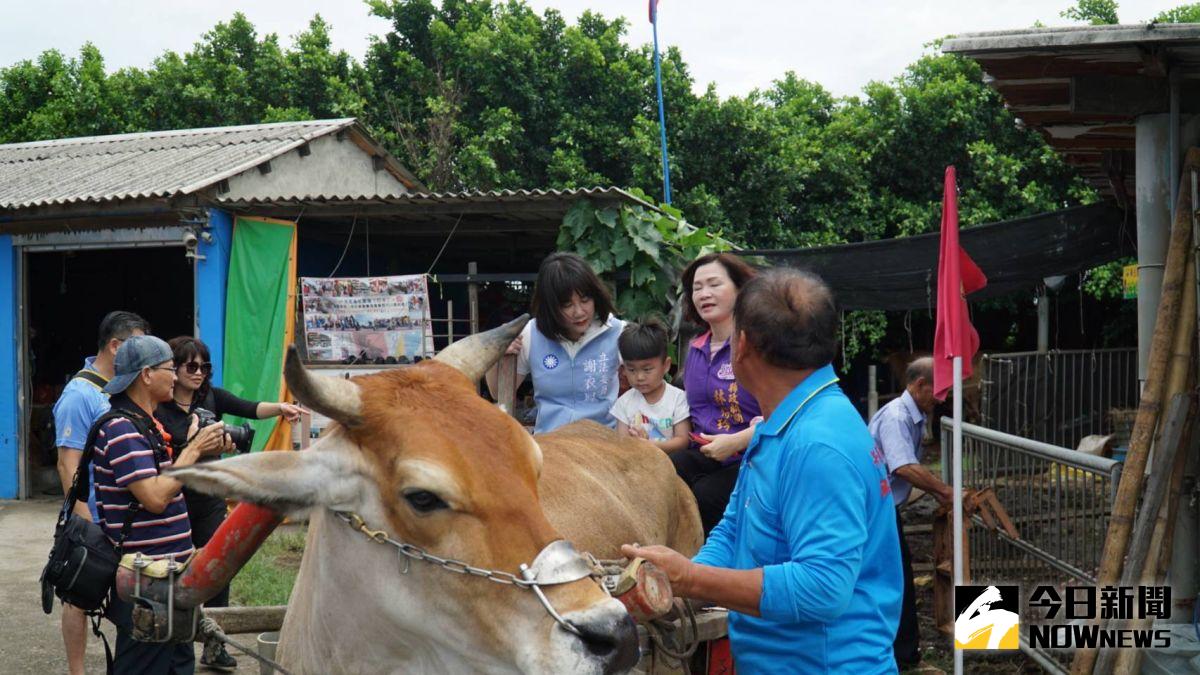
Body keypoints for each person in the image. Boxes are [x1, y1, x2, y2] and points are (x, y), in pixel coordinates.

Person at [624, 268, 903, 674]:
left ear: (742, 345)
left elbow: (823, 589)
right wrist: (673, 590)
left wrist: (691, 579)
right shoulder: (779, 425)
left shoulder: (818, 445)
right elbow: (735, 530)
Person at [155, 336, 301, 672]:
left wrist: (280, 407)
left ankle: (213, 644)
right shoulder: (158, 407)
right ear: (173, 369)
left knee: (217, 570)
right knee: (171, 573)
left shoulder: (211, 397)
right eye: (191, 366)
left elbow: (250, 407)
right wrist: (194, 446)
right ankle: (171, 643)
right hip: (171, 500)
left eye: (204, 366)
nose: (199, 373)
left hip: (209, 499)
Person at [92, 335, 232, 674]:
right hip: (146, 583)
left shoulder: (147, 425)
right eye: (170, 368)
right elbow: (155, 498)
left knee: (178, 665)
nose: (175, 376)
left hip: (168, 579)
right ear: (146, 375)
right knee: (144, 666)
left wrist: (195, 445)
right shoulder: (122, 429)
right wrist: (194, 449)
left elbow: (169, 484)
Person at [51, 310, 149, 675]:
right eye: (136, 345)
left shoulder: (122, 387)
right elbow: (67, 462)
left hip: (122, 517)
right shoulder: (80, 393)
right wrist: (82, 516)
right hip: (91, 516)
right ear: (116, 345)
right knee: (79, 594)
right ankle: (77, 671)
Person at [869, 356, 950, 670]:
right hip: (876, 512)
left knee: (893, 577)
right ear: (920, 385)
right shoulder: (898, 416)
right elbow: (904, 467)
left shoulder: (914, 414)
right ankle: (904, 654)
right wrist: (945, 492)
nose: (942, 397)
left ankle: (900, 650)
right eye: (939, 390)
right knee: (897, 578)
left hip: (883, 507)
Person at [673, 253, 762, 534]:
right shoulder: (696, 349)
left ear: (740, 290)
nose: (704, 294)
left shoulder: (758, 345)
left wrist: (735, 441)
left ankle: (719, 569)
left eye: (713, 284)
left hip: (754, 453)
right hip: (705, 452)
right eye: (697, 288)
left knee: (707, 494)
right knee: (662, 471)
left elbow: (784, 413)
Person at [487, 252, 625, 433]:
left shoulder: (619, 333)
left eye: (585, 300)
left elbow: (650, 382)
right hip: (551, 446)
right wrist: (496, 354)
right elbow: (498, 393)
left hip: (603, 445)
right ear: (550, 307)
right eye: (567, 305)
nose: (579, 312)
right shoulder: (530, 334)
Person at [610, 320, 691, 453]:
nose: (640, 377)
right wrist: (634, 442)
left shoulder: (678, 398)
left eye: (647, 370)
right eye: (632, 370)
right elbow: (621, 443)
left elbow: (683, 441)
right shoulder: (624, 403)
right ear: (623, 369)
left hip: (671, 462)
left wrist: (651, 446)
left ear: (666, 365)